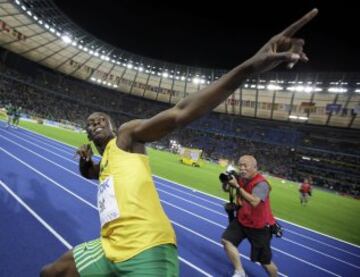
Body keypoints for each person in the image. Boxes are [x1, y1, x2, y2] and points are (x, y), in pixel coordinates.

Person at [40, 8, 318, 276]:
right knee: (50, 272)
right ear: (87, 134)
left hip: (148, 249)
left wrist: (247, 69)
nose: (96, 123)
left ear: (112, 125)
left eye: (101, 119)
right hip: (109, 246)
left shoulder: (126, 138)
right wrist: (86, 161)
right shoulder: (108, 162)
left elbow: (179, 114)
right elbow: (92, 173)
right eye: (90, 123)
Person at [222, 155, 278, 277]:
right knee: (227, 241)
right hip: (242, 220)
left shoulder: (262, 184)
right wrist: (226, 182)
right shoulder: (241, 179)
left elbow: (254, 201)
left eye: (245, 165)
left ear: (254, 167)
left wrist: (237, 186)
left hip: (259, 226)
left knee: (264, 262)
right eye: (240, 165)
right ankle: (240, 272)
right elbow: (226, 189)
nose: (242, 168)